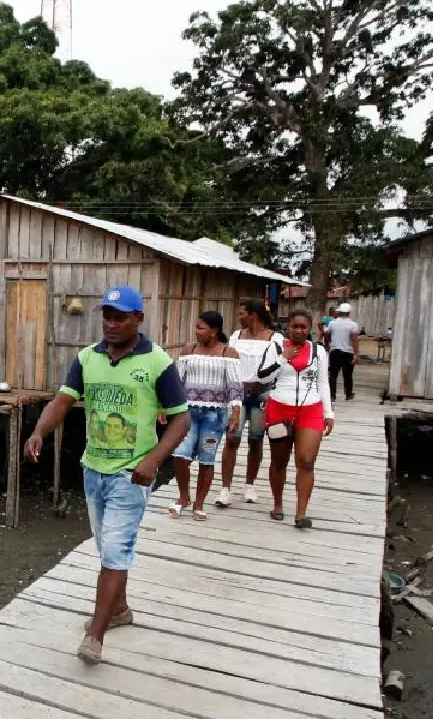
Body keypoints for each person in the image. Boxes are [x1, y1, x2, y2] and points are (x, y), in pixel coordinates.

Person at [24, 285, 189, 665]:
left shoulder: (158, 362)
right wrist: (38, 432)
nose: (111, 324)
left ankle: (95, 637)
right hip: (93, 469)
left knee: (114, 550)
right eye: (107, 317)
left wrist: (154, 460)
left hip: (132, 474)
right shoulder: (87, 358)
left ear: (138, 320)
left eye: (120, 317)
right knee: (108, 549)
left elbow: (181, 418)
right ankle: (120, 610)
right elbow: (63, 401)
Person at [256, 309, 335, 528]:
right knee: (279, 461)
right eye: (295, 326)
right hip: (279, 408)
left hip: (310, 409)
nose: (299, 331)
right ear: (288, 327)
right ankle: (278, 504)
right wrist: (282, 359)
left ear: (310, 329)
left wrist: (329, 413)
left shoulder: (319, 352)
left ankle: (301, 514)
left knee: (306, 462)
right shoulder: (275, 348)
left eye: (304, 327)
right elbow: (262, 376)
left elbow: (324, 383)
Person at [170, 311, 242, 521]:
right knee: (180, 455)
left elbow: (235, 387)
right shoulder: (189, 349)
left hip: (215, 416)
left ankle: (199, 504)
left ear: (214, 331)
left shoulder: (228, 353)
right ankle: (184, 497)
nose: (196, 331)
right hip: (187, 413)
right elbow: (176, 382)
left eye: (201, 328)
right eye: (196, 327)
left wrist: (235, 412)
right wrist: (166, 406)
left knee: (206, 458)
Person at [218, 301, 284, 507]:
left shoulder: (275, 338)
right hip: (237, 393)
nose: (239, 317)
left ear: (253, 315)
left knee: (255, 441)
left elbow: (279, 366)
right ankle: (225, 488)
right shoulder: (236, 336)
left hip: (262, 393)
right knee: (231, 439)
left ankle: (249, 484)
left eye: (242, 313)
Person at [326, 303, 360, 400]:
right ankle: (348, 394)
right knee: (348, 374)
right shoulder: (353, 325)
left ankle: (332, 395)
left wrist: (330, 345)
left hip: (334, 352)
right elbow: (354, 340)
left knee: (333, 374)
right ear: (349, 312)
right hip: (348, 353)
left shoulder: (332, 323)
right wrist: (356, 354)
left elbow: (327, 336)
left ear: (339, 312)